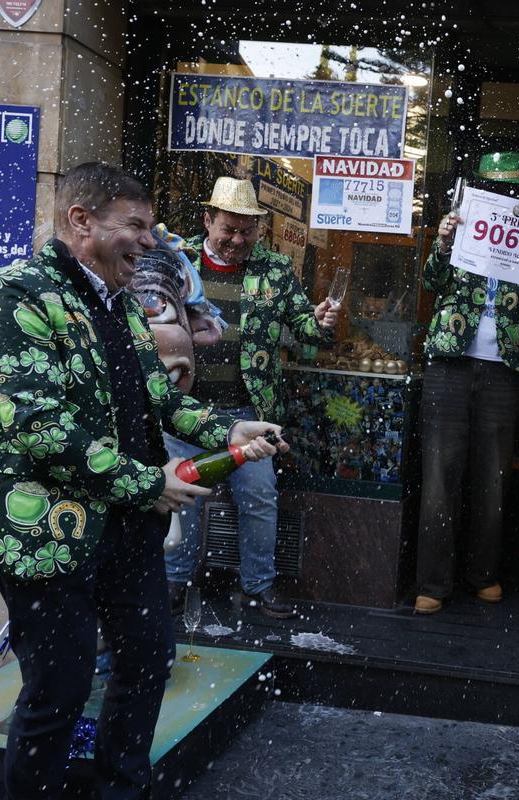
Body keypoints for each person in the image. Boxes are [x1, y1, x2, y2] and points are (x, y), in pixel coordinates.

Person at [0, 162, 286, 799]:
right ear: (81, 222)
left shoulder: (122, 299)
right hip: (46, 535)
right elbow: (38, 427)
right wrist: (147, 482)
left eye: (150, 227)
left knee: (146, 664)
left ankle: (123, 790)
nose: (149, 241)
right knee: (57, 693)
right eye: (135, 226)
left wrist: (229, 432)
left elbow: (161, 400)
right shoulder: (18, 294)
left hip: (126, 531)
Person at [163, 176, 338, 620]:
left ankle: (258, 588)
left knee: (259, 499)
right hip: (186, 412)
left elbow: (306, 330)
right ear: (208, 220)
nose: (238, 239)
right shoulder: (178, 265)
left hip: (249, 413)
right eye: (229, 229)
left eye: (247, 230)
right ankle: (174, 584)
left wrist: (321, 319)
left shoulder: (275, 269)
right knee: (184, 501)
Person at [413, 152, 519, 614]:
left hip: (503, 370)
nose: (505, 197)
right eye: (496, 189)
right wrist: (443, 244)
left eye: (512, 189)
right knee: (440, 477)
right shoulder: (460, 228)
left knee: (494, 478)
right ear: (481, 191)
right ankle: (433, 582)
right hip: (449, 366)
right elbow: (430, 282)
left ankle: (483, 573)